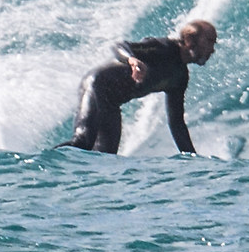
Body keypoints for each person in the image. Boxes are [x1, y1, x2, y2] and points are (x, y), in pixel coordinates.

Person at [63, 18, 217, 155]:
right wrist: (132, 60)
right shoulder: (164, 48)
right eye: (209, 41)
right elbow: (120, 46)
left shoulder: (180, 77)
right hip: (95, 85)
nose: (212, 49)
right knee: (82, 142)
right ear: (190, 40)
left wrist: (192, 158)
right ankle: (42, 168)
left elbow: (176, 124)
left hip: (110, 103)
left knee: (106, 157)